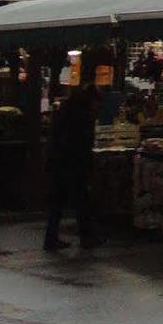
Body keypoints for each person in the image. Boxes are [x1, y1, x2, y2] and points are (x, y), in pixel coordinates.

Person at [44, 83, 99, 251]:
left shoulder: (63, 112)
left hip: (59, 162)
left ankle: (51, 238)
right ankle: (87, 237)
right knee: (81, 202)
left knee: (57, 204)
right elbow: (82, 143)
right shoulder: (83, 116)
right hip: (74, 164)